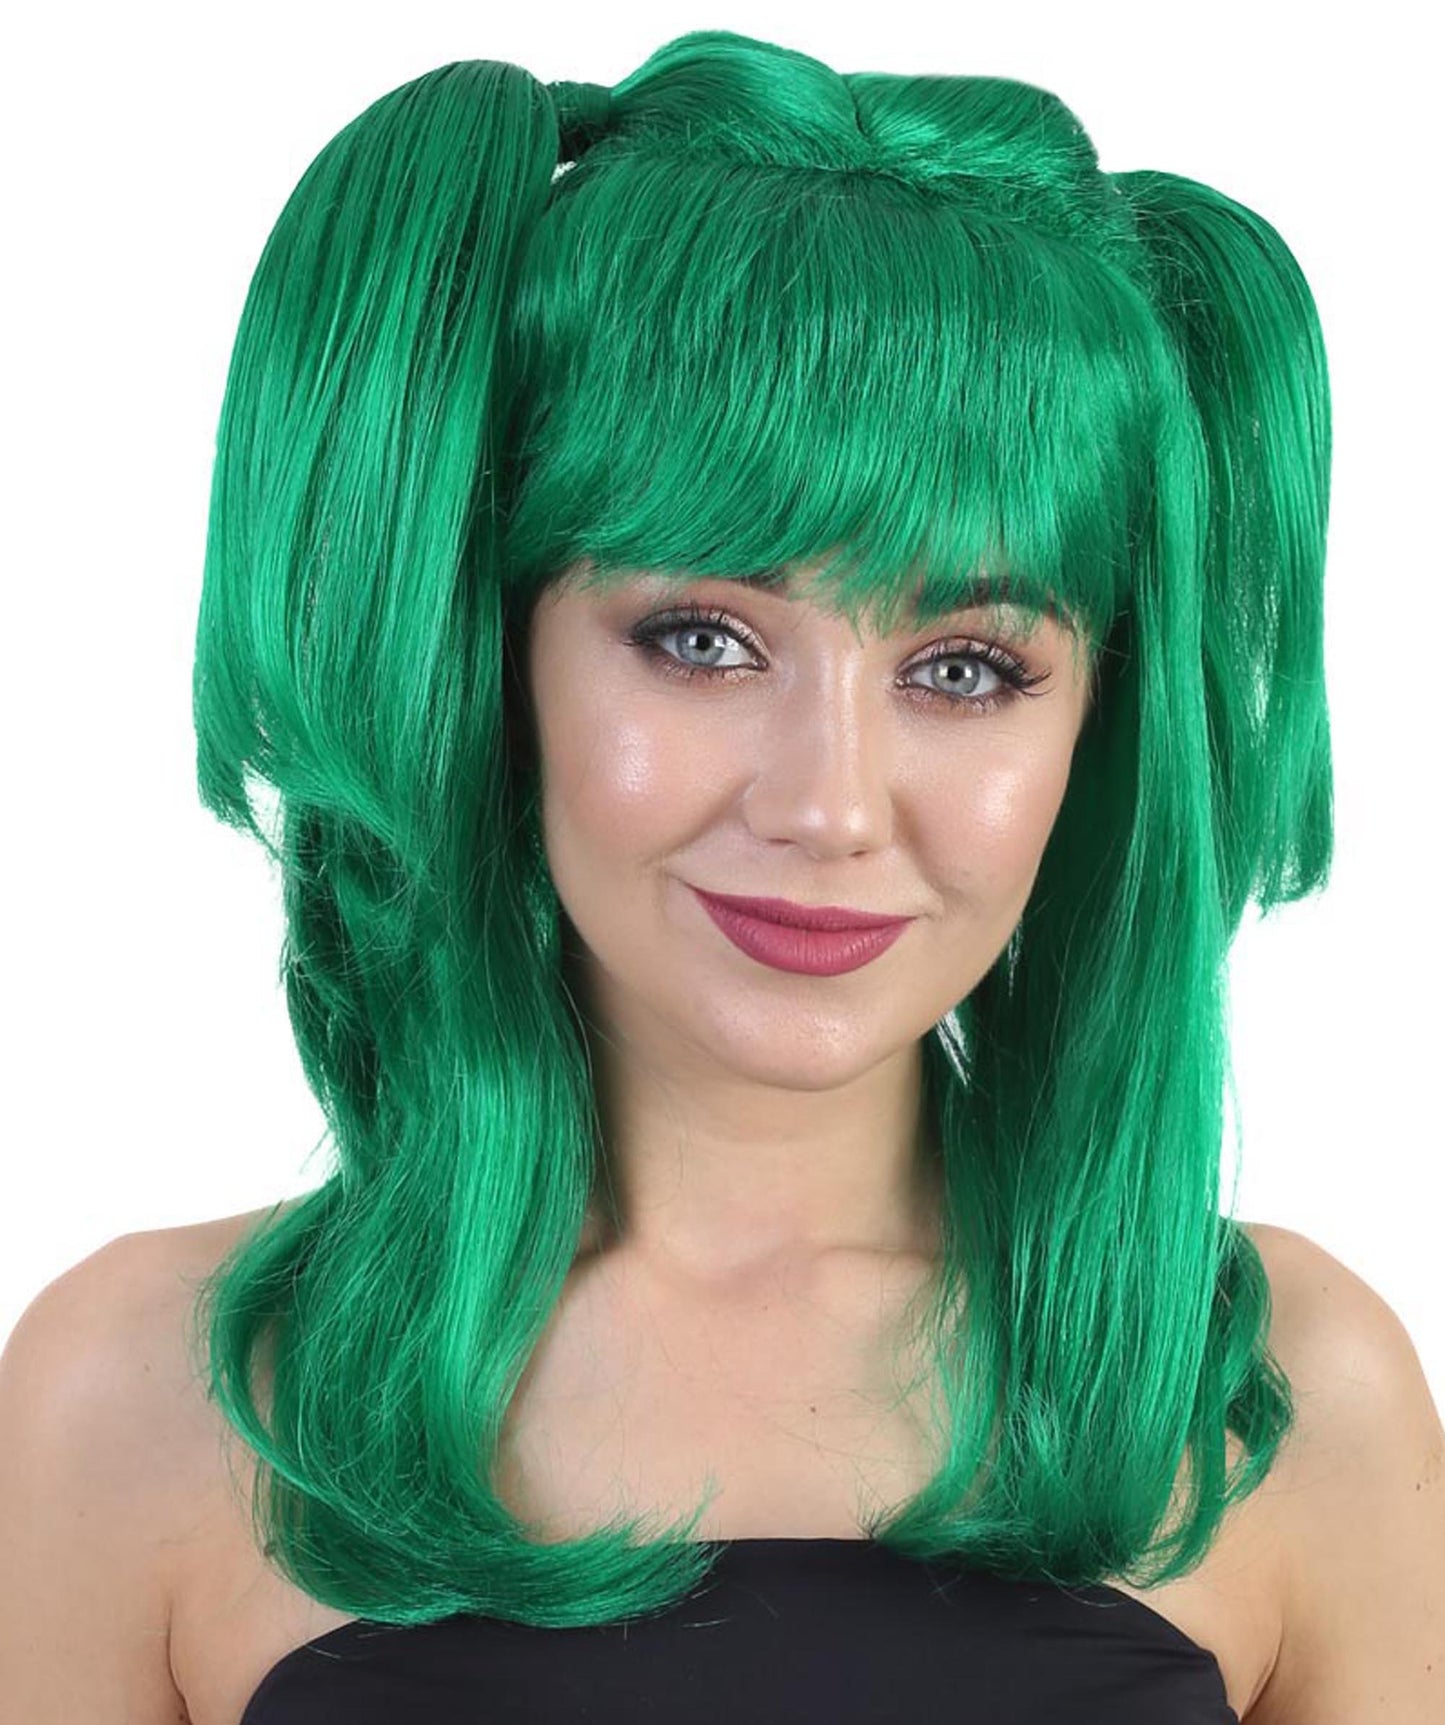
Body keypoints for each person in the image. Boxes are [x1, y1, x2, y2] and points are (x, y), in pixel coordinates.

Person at [2, 27, 1441, 1725]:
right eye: (699, 638)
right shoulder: (144, 1398)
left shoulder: (1281, 1398)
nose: (829, 805)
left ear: (1098, 724)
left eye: (966, 666)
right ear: (488, 657)